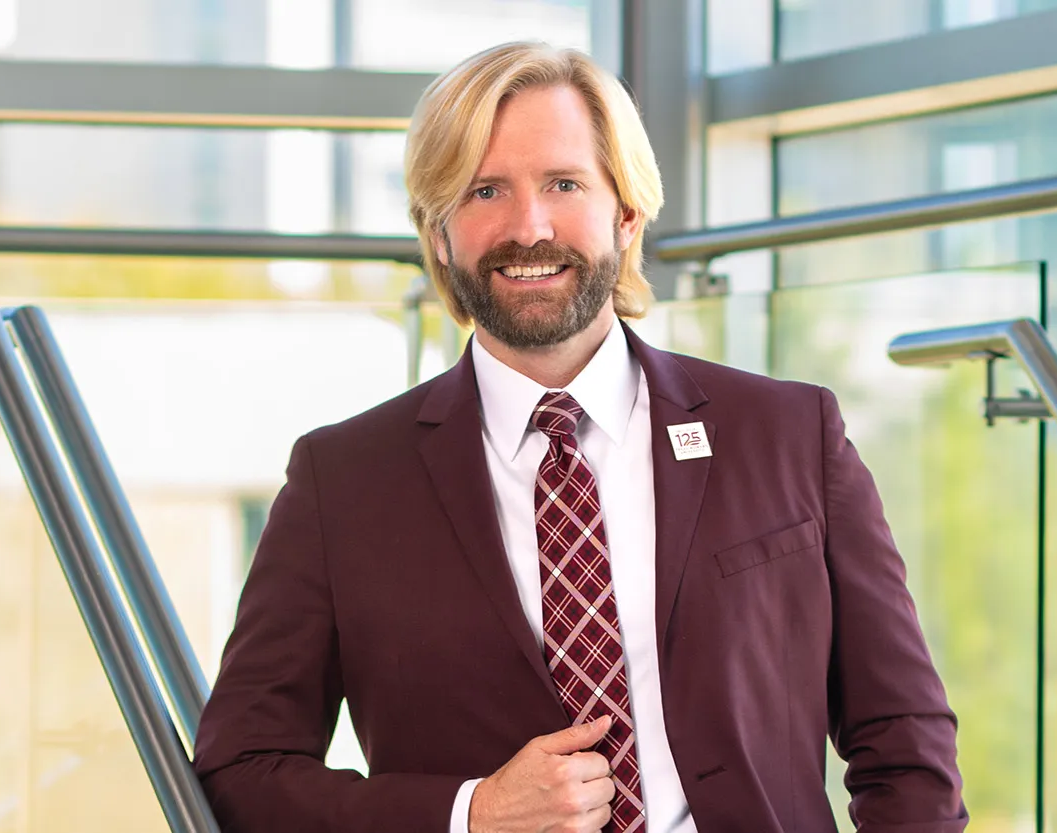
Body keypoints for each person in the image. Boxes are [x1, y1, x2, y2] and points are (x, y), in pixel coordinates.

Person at [193, 42, 966, 833]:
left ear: (625, 213)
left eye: (563, 183)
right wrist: (469, 813)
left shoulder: (789, 434)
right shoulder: (344, 481)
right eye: (483, 189)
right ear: (438, 232)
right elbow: (240, 772)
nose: (528, 227)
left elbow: (904, 742)